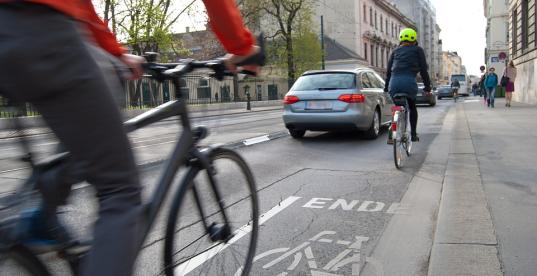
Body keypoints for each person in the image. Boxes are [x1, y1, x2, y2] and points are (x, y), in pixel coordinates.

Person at [0, 1, 260, 275]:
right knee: (120, 192)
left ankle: (42, 216)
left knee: (94, 126)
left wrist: (116, 52)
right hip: (41, 30)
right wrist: (243, 48)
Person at [385, 28, 432, 142]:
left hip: (394, 84)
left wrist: (386, 88)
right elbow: (424, 71)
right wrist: (427, 87)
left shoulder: (395, 51)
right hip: (409, 83)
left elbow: (388, 71)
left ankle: (393, 127)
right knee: (412, 107)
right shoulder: (418, 50)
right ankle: (414, 134)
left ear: (400, 39)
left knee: (396, 107)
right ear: (414, 39)